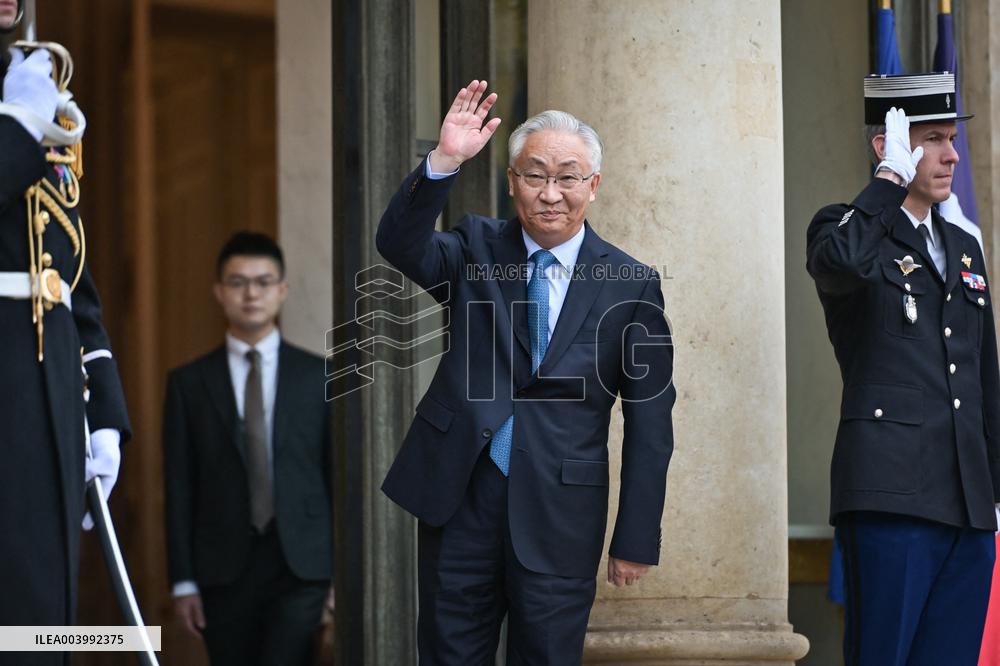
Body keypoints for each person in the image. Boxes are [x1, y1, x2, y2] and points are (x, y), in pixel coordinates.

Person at [377, 80, 675, 664]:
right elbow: (399, 243)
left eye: (567, 177)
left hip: (561, 511)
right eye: (534, 175)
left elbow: (650, 419)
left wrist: (636, 534)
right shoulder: (475, 246)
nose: (550, 193)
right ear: (512, 182)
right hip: (462, 493)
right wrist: (444, 162)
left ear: (593, 186)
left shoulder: (631, 283)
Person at [806, 72, 1000, 665]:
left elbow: (983, 376)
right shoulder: (848, 229)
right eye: (933, 139)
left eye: (951, 138)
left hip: (967, 503)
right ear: (887, 145)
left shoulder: (963, 245)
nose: (951, 155)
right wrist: (889, 181)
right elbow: (838, 264)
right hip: (892, 498)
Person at [0, 4, 130, 663]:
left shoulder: (31, 85)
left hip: (46, 382)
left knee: (42, 619)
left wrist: (103, 404)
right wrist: (18, 127)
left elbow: (66, 266)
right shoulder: (23, 106)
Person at [162, 232, 332, 666]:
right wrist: (182, 581)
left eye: (263, 281)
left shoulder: (319, 377)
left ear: (282, 290)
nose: (251, 293)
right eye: (238, 282)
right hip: (221, 567)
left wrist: (340, 576)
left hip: (303, 565)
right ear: (219, 292)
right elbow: (179, 485)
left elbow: (336, 477)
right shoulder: (188, 384)